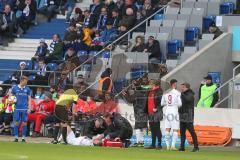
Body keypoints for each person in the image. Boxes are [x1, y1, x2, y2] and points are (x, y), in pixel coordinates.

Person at [122, 78, 148, 147]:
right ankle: (141, 142)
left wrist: (125, 94)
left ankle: (138, 142)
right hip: (145, 111)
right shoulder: (145, 92)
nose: (133, 86)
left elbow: (130, 100)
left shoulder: (137, 93)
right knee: (141, 127)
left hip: (139, 111)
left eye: (134, 85)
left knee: (137, 127)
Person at [161, 79, 182, 150]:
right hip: (174, 111)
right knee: (175, 129)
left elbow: (162, 103)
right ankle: (173, 146)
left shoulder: (165, 93)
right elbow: (180, 104)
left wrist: (167, 103)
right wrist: (174, 104)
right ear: (174, 84)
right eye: (176, 84)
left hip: (167, 111)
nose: (176, 85)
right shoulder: (178, 93)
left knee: (167, 129)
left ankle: (167, 146)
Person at [179, 83, 199, 152]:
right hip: (182, 115)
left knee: (191, 131)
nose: (182, 88)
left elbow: (188, 99)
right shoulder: (183, 94)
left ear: (187, 88)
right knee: (182, 132)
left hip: (188, 115)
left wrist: (182, 94)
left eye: (183, 87)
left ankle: (196, 147)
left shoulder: (190, 94)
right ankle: (182, 147)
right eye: (181, 87)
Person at [11, 76, 31, 142]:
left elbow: (29, 99)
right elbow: (11, 96)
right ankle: (16, 137)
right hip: (17, 108)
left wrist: (29, 107)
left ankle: (23, 138)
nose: (26, 82)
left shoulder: (27, 89)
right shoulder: (15, 88)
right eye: (25, 81)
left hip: (25, 108)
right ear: (22, 81)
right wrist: (11, 100)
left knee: (24, 123)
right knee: (16, 123)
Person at [145, 79, 163, 149]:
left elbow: (162, 102)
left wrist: (157, 108)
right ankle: (153, 144)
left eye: (150, 84)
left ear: (154, 84)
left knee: (157, 128)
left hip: (156, 112)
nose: (149, 85)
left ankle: (159, 144)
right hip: (150, 113)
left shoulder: (159, 91)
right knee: (152, 129)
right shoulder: (149, 91)